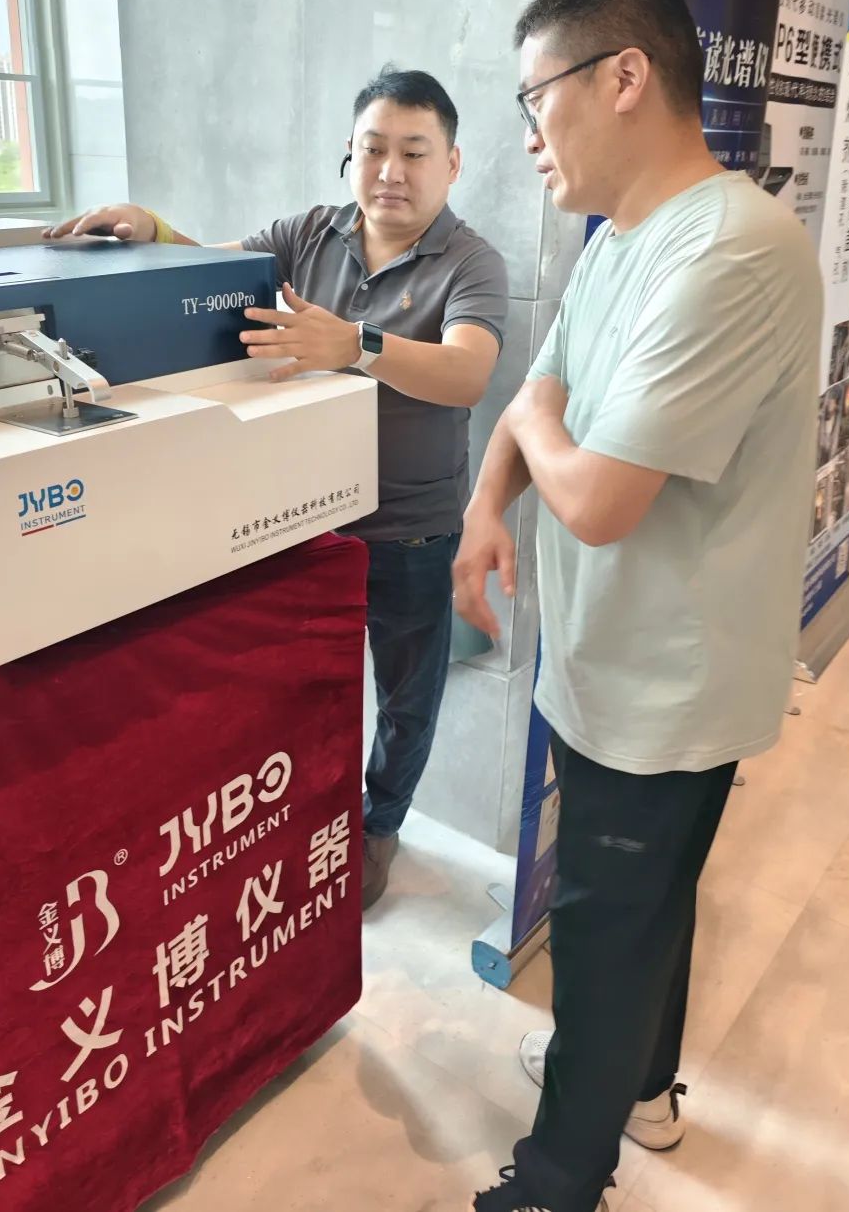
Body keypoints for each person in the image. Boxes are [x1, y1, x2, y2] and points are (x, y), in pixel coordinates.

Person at [454, 0, 821, 1212]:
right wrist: (485, 505)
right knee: (642, 904)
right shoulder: (621, 239)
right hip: (606, 660)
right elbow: (539, 394)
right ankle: (645, 1088)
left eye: (535, 99)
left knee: (608, 931)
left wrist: (537, 426)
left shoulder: (735, 251)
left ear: (623, 77)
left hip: (667, 682)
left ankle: (557, 1178)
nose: (527, 134)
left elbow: (600, 499)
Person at [47, 67, 508, 910]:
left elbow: (468, 372)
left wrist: (357, 344)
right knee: (300, 684)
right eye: (373, 149)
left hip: (412, 529)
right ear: (349, 154)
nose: (391, 171)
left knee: (406, 702)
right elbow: (211, 277)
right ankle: (304, 814)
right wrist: (153, 230)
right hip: (301, 519)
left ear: (452, 164)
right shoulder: (306, 233)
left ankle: (378, 827)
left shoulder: (471, 261)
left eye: (414, 152)